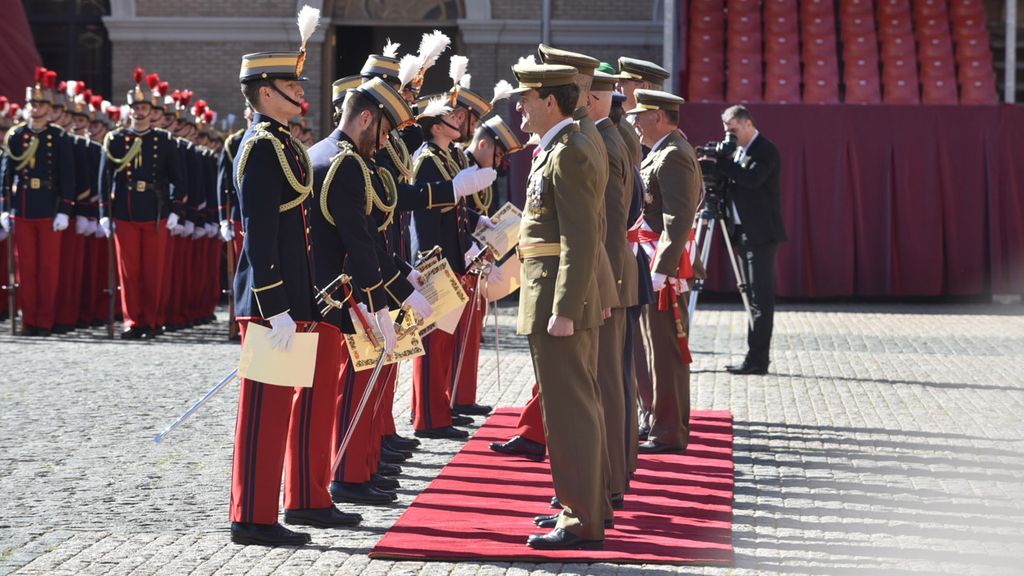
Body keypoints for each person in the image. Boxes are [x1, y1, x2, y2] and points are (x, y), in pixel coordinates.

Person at [228, 9, 359, 545]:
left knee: (281, 408)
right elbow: (259, 234)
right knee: (263, 414)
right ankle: (252, 518)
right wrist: (274, 302)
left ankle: (282, 506)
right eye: (288, 85)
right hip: (270, 303)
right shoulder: (260, 147)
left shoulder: (281, 143)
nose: (298, 91)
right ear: (262, 94)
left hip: (292, 300)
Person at [511, 61, 607, 550]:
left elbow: (581, 237)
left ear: (550, 101)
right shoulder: (560, 147)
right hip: (550, 290)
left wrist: (565, 307)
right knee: (572, 406)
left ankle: (581, 517)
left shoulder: (569, 151)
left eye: (526, 98)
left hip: (558, 296)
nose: (519, 106)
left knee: (569, 410)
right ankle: (586, 505)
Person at [628, 89, 702, 454]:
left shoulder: (673, 155)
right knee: (656, 349)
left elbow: (678, 218)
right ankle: (661, 421)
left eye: (640, 116)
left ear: (658, 116)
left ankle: (669, 431)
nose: (635, 122)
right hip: (650, 258)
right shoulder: (662, 152)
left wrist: (663, 268)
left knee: (666, 352)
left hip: (661, 265)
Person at [98, 68, 185, 339]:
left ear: (151, 109)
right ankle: (132, 321)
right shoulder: (115, 139)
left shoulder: (164, 140)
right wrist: (104, 213)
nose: (139, 112)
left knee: (153, 273)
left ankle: (153, 320)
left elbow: (179, 180)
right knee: (130, 272)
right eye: (135, 107)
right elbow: (104, 178)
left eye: (144, 107)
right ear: (129, 110)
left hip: (156, 212)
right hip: (125, 210)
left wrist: (174, 210)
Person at [0, 68, 76, 337]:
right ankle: (29, 320)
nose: (36, 108)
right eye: (32, 103)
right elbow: (5, 174)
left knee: (48, 269)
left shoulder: (58, 137)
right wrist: (4, 208)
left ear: (49, 108)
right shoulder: (17, 136)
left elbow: (69, 176)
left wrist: (65, 209)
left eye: (41, 104)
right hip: (22, 208)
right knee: (26, 270)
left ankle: (45, 321)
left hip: (49, 208)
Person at [718, 104, 787, 375]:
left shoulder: (765, 150)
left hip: (761, 235)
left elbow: (752, 179)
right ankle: (753, 356)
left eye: (733, 130)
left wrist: (723, 165)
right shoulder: (739, 152)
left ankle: (758, 359)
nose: (730, 137)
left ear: (748, 124)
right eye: (726, 131)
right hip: (744, 233)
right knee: (751, 297)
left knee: (760, 299)